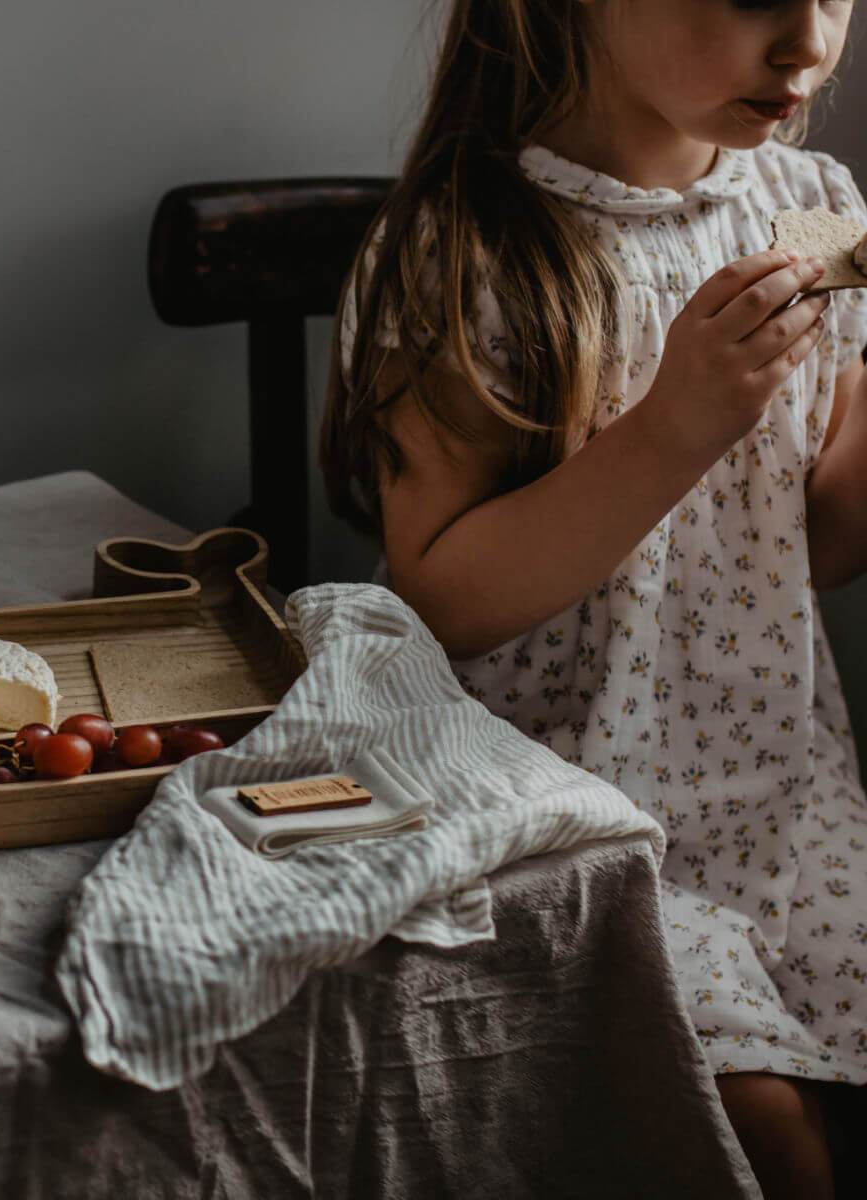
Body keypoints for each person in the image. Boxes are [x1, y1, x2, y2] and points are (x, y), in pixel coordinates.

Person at [320, 1, 867, 1196]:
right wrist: (673, 428)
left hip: (781, 788)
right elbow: (443, 598)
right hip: (561, 805)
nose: (811, 44)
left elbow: (818, 543)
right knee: (770, 1146)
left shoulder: (813, 207)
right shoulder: (466, 247)